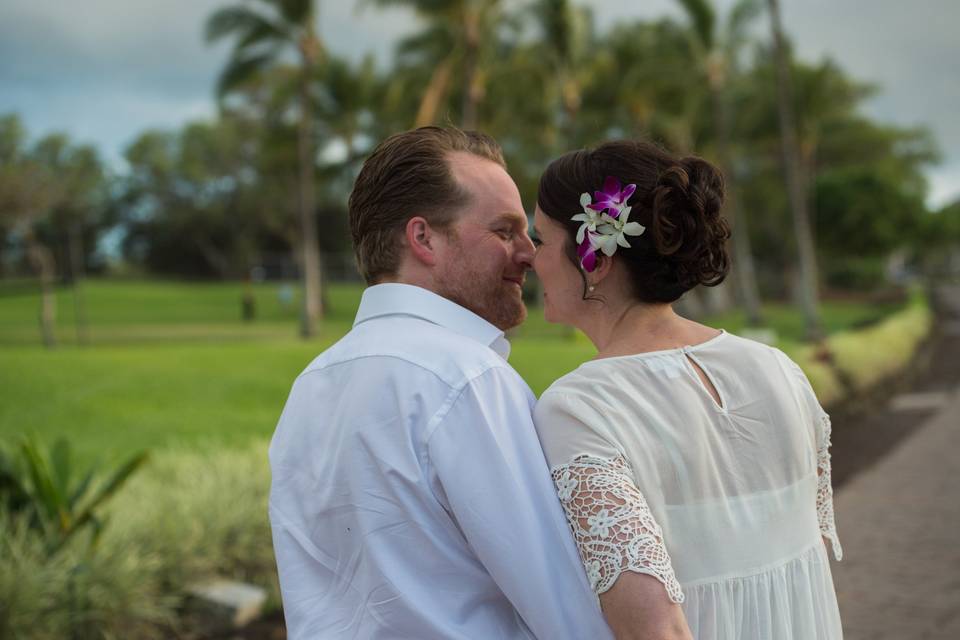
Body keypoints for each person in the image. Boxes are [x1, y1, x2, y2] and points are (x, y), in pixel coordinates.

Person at [268, 127, 613, 639]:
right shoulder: (468, 379)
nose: (530, 254)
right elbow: (566, 608)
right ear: (423, 238)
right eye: (504, 231)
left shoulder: (312, 384)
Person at [530, 140, 844, 639]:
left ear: (595, 257)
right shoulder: (778, 369)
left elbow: (656, 630)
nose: (529, 259)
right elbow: (806, 568)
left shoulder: (580, 408)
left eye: (540, 240)